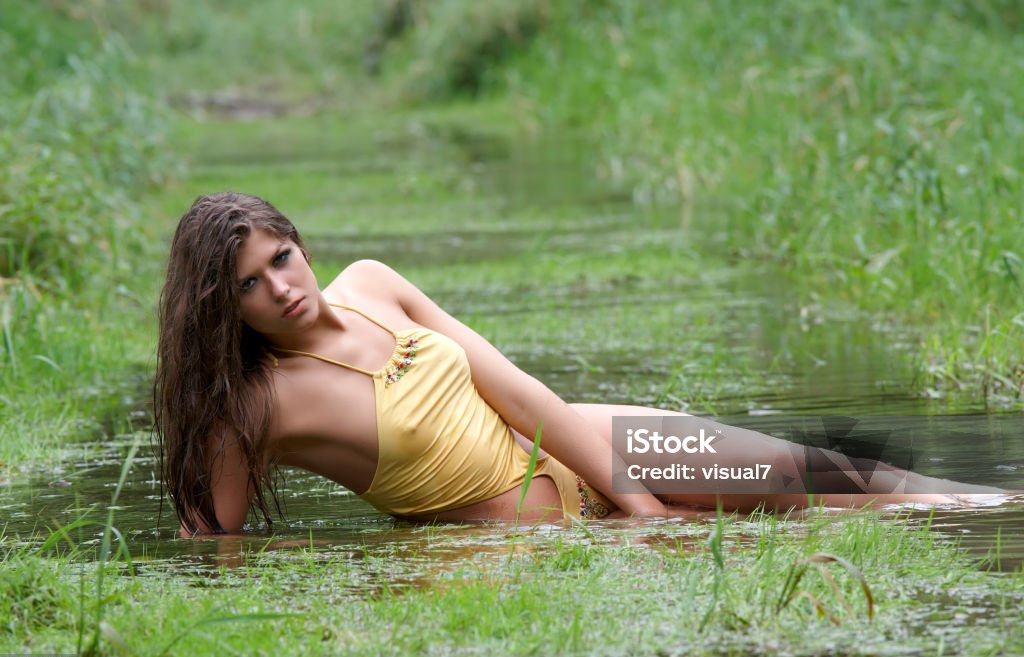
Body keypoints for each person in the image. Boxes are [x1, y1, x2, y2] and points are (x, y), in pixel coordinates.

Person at [155, 192, 989, 536]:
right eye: (249, 287)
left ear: (300, 243)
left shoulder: (374, 283)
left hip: (586, 443)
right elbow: (216, 548)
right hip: (525, 532)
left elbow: (513, 386)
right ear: (224, 310)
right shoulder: (254, 406)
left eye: (281, 257)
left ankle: (996, 502)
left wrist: (633, 493)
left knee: (825, 474)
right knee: (770, 535)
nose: (279, 287)